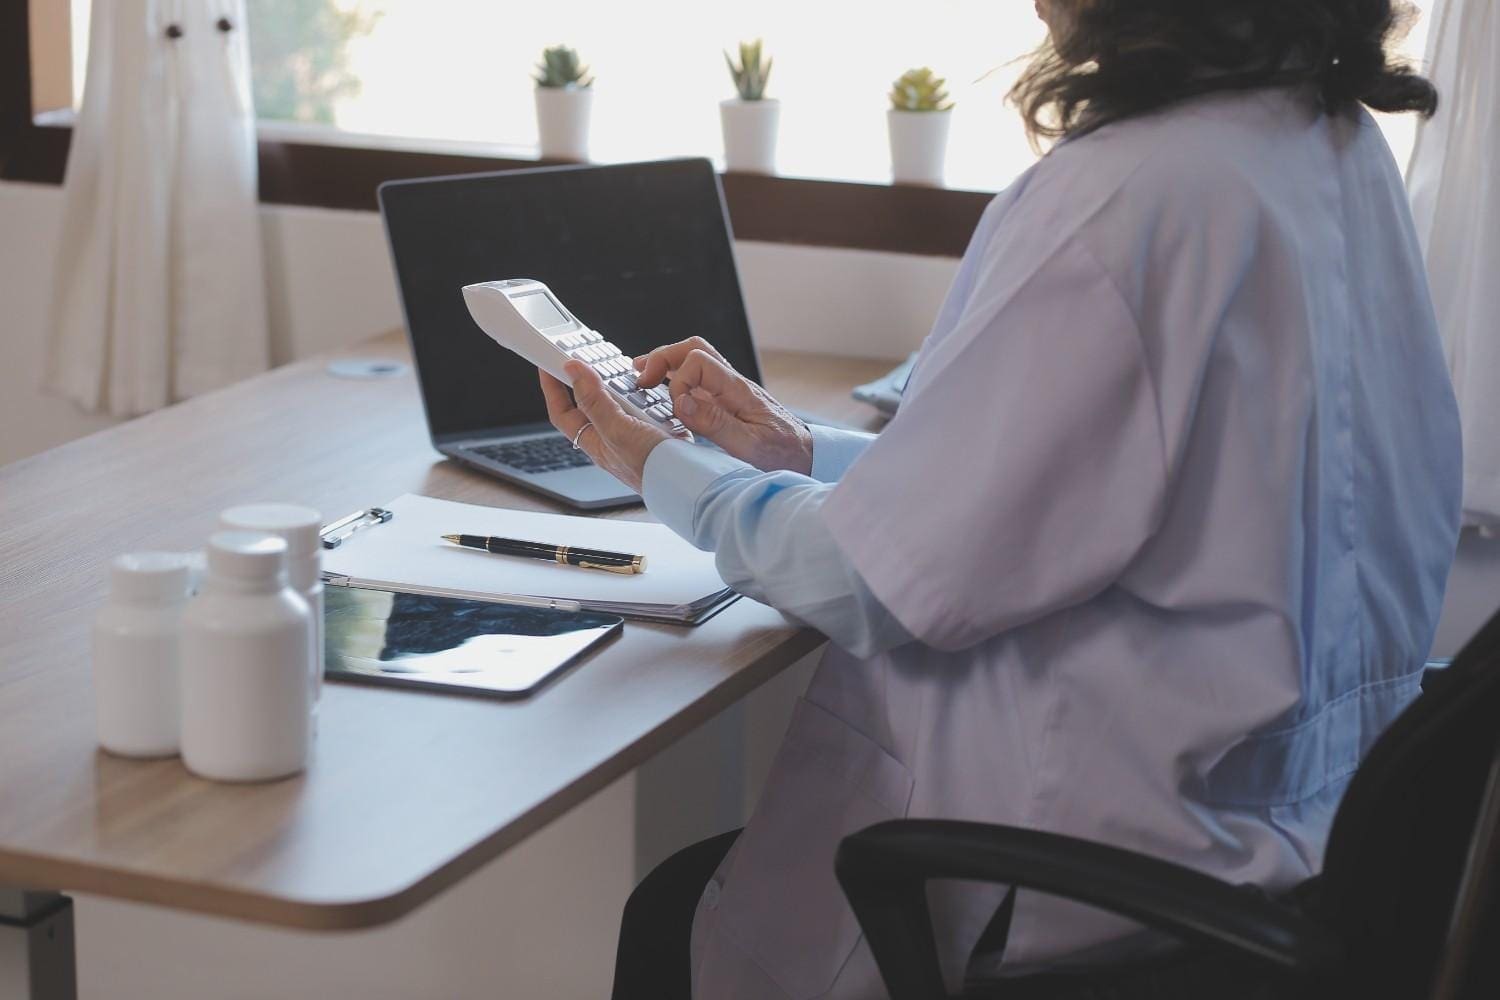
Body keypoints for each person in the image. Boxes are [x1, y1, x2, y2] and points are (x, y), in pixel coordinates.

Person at [541, 1, 1463, 996]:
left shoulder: (1123, 200)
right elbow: (1096, 483)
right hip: (1296, 853)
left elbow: (864, 584)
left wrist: (654, 464)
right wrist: (796, 451)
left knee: (670, 919)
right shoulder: (1333, 144)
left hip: (1092, 881)